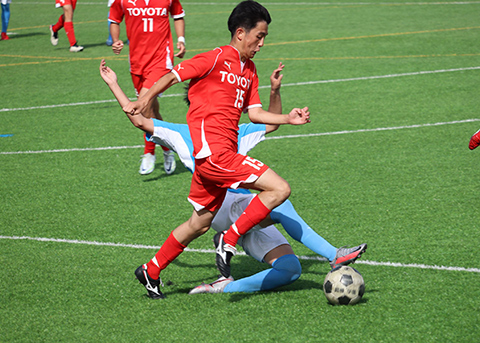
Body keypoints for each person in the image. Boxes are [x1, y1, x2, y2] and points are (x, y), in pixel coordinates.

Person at [100, 59, 367, 294]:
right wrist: (114, 84)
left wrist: (274, 90)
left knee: (290, 269)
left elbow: (271, 123)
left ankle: (224, 286)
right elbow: (139, 120)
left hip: (248, 211)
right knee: (280, 199)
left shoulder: (237, 131)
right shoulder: (181, 132)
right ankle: (335, 255)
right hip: (225, 207)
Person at [120, 0, 311, 299]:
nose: (261, 44)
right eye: (258, 36)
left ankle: (151, 270)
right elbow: (172, 75)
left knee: (199, 223)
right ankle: (230, 239)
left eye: (264, 38)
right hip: (216, 155)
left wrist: (287, 118)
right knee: (279, 189)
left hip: (215, 162)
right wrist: (145, 100)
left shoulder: (249, 71)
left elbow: (257, 114)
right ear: (239, 33)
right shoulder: (214, 58)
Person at [108, 0, 186, 175]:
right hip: (136, 62)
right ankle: (168, 147)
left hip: (161, 61)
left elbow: (178, 15)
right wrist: (115, 40)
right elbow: (114, 19)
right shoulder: (121, 1)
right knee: (152, 109)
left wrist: (181, 39)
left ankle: (149, 151)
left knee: (142, 107)